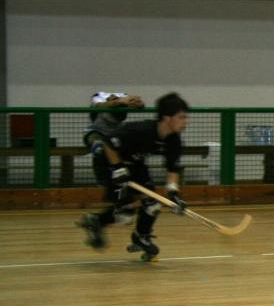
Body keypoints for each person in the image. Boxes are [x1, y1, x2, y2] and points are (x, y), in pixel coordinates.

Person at [76, 92, 190, 261]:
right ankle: (97, 222)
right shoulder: (141, 130)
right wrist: (118, 169)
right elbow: (108, 143)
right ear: (167, 118)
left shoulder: (174, 140)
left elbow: (172, 170)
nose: (185, 122)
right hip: (109, 162)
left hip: (135, 164)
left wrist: (174, 195)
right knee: (126, 214)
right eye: (181, 117)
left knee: (153, 204)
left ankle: (141, 236)